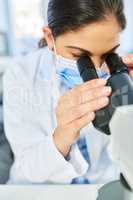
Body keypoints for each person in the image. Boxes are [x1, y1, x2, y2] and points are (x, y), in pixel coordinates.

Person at [3, 0, 133, 184]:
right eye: (80, 57)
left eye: (108, 55)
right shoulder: (21, 75)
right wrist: (63, 134)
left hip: (103, 185)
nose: (96, 70)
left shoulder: (125, 75)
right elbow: (29, 166)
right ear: (50, 37)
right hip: (39, 189)